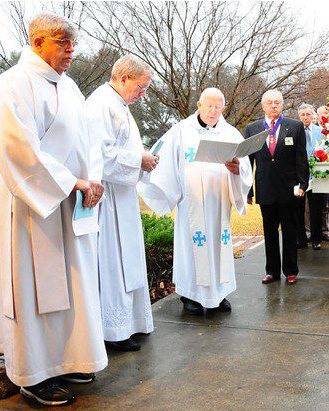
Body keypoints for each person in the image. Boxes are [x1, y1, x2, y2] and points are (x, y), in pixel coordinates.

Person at [0, 12, 107, 406]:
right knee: (33, 287)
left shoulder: (70, 87)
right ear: (37, 42)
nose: (71, 50)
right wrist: (71, 181)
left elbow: (88, 141)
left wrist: (92, 180)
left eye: (73, 43)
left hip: (70, 202)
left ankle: (69, 359)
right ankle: (33, 374)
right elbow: (17, 148)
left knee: (72, 283)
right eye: (62, 42)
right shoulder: (12, 84)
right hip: (31, 203)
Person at [140, 88, 252, 315]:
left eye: (218, 107)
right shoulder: (181, 131)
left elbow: (245, 167)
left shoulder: (231, 134)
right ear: (199, 105)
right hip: (191, 203)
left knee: (218, 247)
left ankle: (219, 294)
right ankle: (191, 296)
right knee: (192, 248)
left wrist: (237, 170)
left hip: (219, 203)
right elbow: (161, 158)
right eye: (209, 106)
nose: (213, 111)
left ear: (223, 108)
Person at [86, 55, 158, 352]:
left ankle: (132, 322)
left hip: (123, 197)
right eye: (141, 87)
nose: (143, 94)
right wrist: (139, 159)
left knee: (129, 260)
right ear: (124, 78)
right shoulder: (101, 104)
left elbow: (124, 146)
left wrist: (143, 157)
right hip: (109, 200)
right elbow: (100, 156)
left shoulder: (120, 105)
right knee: (114, 263)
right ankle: (114, 331)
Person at [244, 90, 309, 285]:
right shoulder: (252, 128)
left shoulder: (295, 126)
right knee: (269, 231)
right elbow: (247, 163)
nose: (274, 106)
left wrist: (303, 183)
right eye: (270, 102)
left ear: (282, 104)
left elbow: (301, 158)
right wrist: (248, 190)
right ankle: (271, 271)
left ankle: (290, 271)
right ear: (262, 105)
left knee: (289, 231)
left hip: (289, 189)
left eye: (277, 102)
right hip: (265, 188)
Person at [297, 103, 326, 250]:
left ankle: (316, 239)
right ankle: (301, 239)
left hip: (316, 175)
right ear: (299, 116)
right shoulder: (294, 131)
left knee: (316, 209)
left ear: (313, 115)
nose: (305, 117)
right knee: (298, 209)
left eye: (308, 114)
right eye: (302, 115)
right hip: (299, 176)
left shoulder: (321, 132)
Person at [315, 106, 329, 242]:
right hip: (315, 170)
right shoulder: (313, 129)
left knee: (326, 203)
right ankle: (312, 230)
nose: (325, 115)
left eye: (328, 113)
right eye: (323, 113)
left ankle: (324, 229)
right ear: (317, 116)